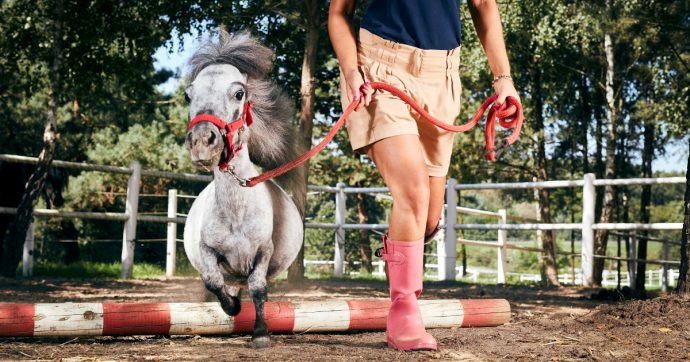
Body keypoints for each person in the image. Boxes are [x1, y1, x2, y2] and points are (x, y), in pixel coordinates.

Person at [328, 0, 520, 352]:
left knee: (429, 218)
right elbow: (339, 12)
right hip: (378, 70)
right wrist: (352, 70)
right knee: (413, 192)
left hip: (442, 77)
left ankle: (398, 254)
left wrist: (504, 81)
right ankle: (403, 309)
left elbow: (483, 4)